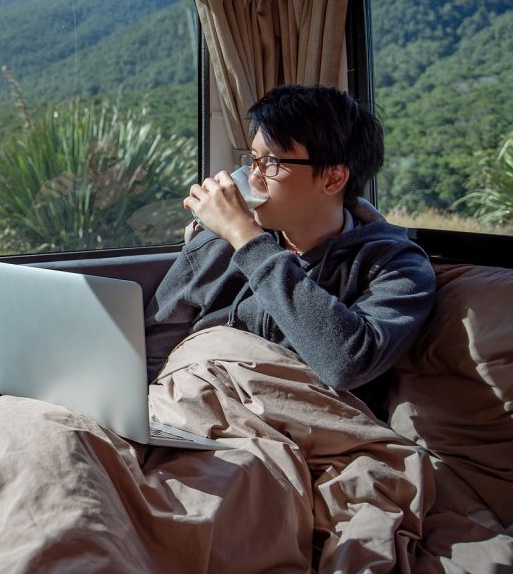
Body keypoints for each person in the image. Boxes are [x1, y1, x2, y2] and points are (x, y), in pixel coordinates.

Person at [145, 84, 436, 410]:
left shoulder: (396, 266)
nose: (252, 177)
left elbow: (345, 364)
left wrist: (247, 239)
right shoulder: (216, 244)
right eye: (253, 160)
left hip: (303, 432)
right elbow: (153, 349)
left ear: (333, 179)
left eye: (269, 162)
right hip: (189, 414)